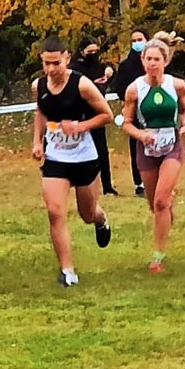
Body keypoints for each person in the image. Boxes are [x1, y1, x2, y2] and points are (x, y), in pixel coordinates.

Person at [31, 37, 113, 287]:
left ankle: (101, 220)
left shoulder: (82, 85)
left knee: (86, 213)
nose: (51, 69)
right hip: (56, 157)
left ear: (67, 58)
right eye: (46, 63)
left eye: (56, 63)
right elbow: (41, 111)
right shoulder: (39, 85)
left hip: (84, 156)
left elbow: (107, 115)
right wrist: (37, 141)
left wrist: (79, 126)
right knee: (55, 212)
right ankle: (68, 271)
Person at [121, 35, 185, 273]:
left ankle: (157, 257)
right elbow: (126, 122)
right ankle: (166, 212)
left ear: (165, 61)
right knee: (155, 204)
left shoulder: (177, 85)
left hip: (172, 146)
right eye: (148, 59)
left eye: (156, 59)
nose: (152, 63)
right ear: (142, 61)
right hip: (147, 149)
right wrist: (141, 136)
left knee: (161, 200)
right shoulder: (134, 90)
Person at [69, 38, 117, 195]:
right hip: (81, 115)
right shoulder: (75, 69)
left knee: (102, 151)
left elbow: (112, 74)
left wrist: (110, 70)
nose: (94, 55)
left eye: (96, 51)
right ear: (82, 52)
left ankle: (107, 186)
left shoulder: (99, 66)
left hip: (98, 114)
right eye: (90, 52)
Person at [113, 28, 149, 196]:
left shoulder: (152, 62)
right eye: (133, 40)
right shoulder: (125, 66)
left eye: (139, 39)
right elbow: (119, 88)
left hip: (153, 110)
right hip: (133, 111)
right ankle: (139, 182)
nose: (137, 43)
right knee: (136, 146)